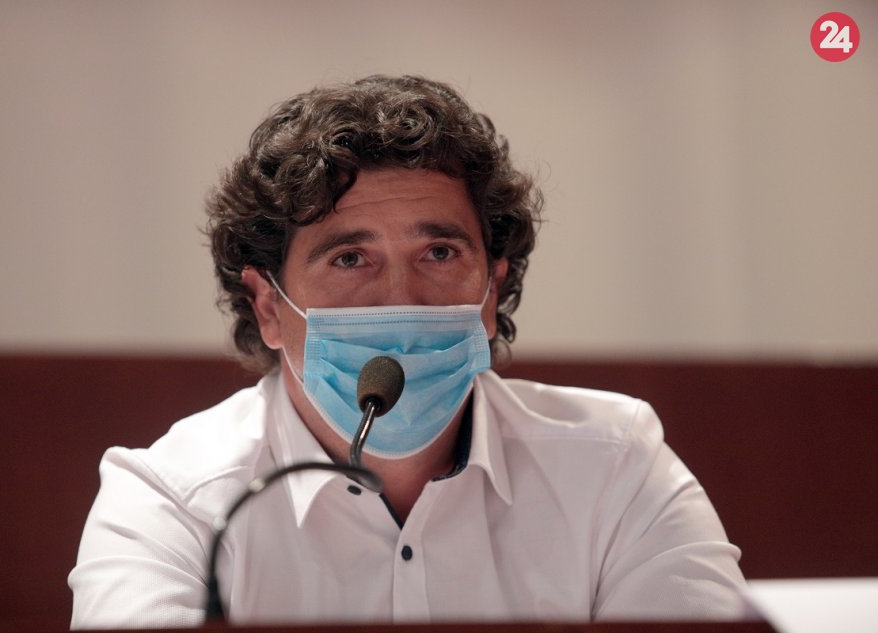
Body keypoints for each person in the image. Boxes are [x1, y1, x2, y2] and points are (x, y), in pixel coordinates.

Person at [69, 75, 748, 628]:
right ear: (269, 306)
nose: (401, 296)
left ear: (491, 290)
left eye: (439, 252)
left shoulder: (613, 466)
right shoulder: (175, 502)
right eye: (350, 257)